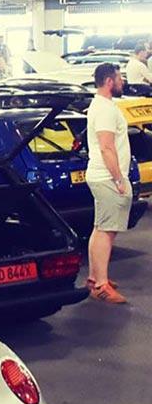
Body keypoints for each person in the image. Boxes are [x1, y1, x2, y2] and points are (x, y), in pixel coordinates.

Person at [84, 63, 132, 304]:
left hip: (102, 176)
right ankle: (101, 285)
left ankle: (95, 278)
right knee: (106, 231)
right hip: (107, 177)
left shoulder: (103, 106)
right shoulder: (104, 109)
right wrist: (118, 179)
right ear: (109, 81)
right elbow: (106, 147)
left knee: (100, 227)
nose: (123, 81)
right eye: (120, 78)